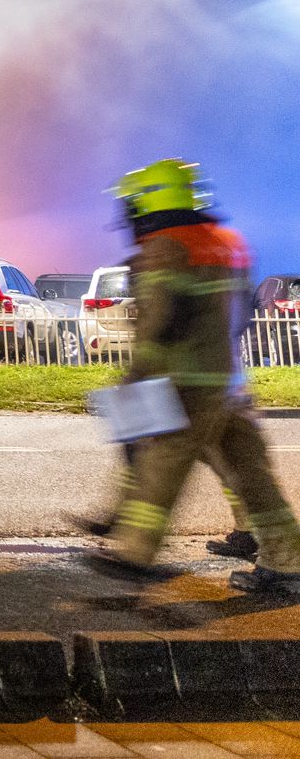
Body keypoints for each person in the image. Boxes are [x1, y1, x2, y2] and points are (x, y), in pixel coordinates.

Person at [86, 159, 300, 588]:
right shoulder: (227, 243)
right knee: (251, 473)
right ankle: (288, 559)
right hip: (228, 378)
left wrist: (134, 379)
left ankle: (135, 553)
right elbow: (242, 314)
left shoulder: (164, 249)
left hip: (184, 380)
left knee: (162, 461)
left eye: (133, 205)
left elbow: (156, 323)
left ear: (149, 202)